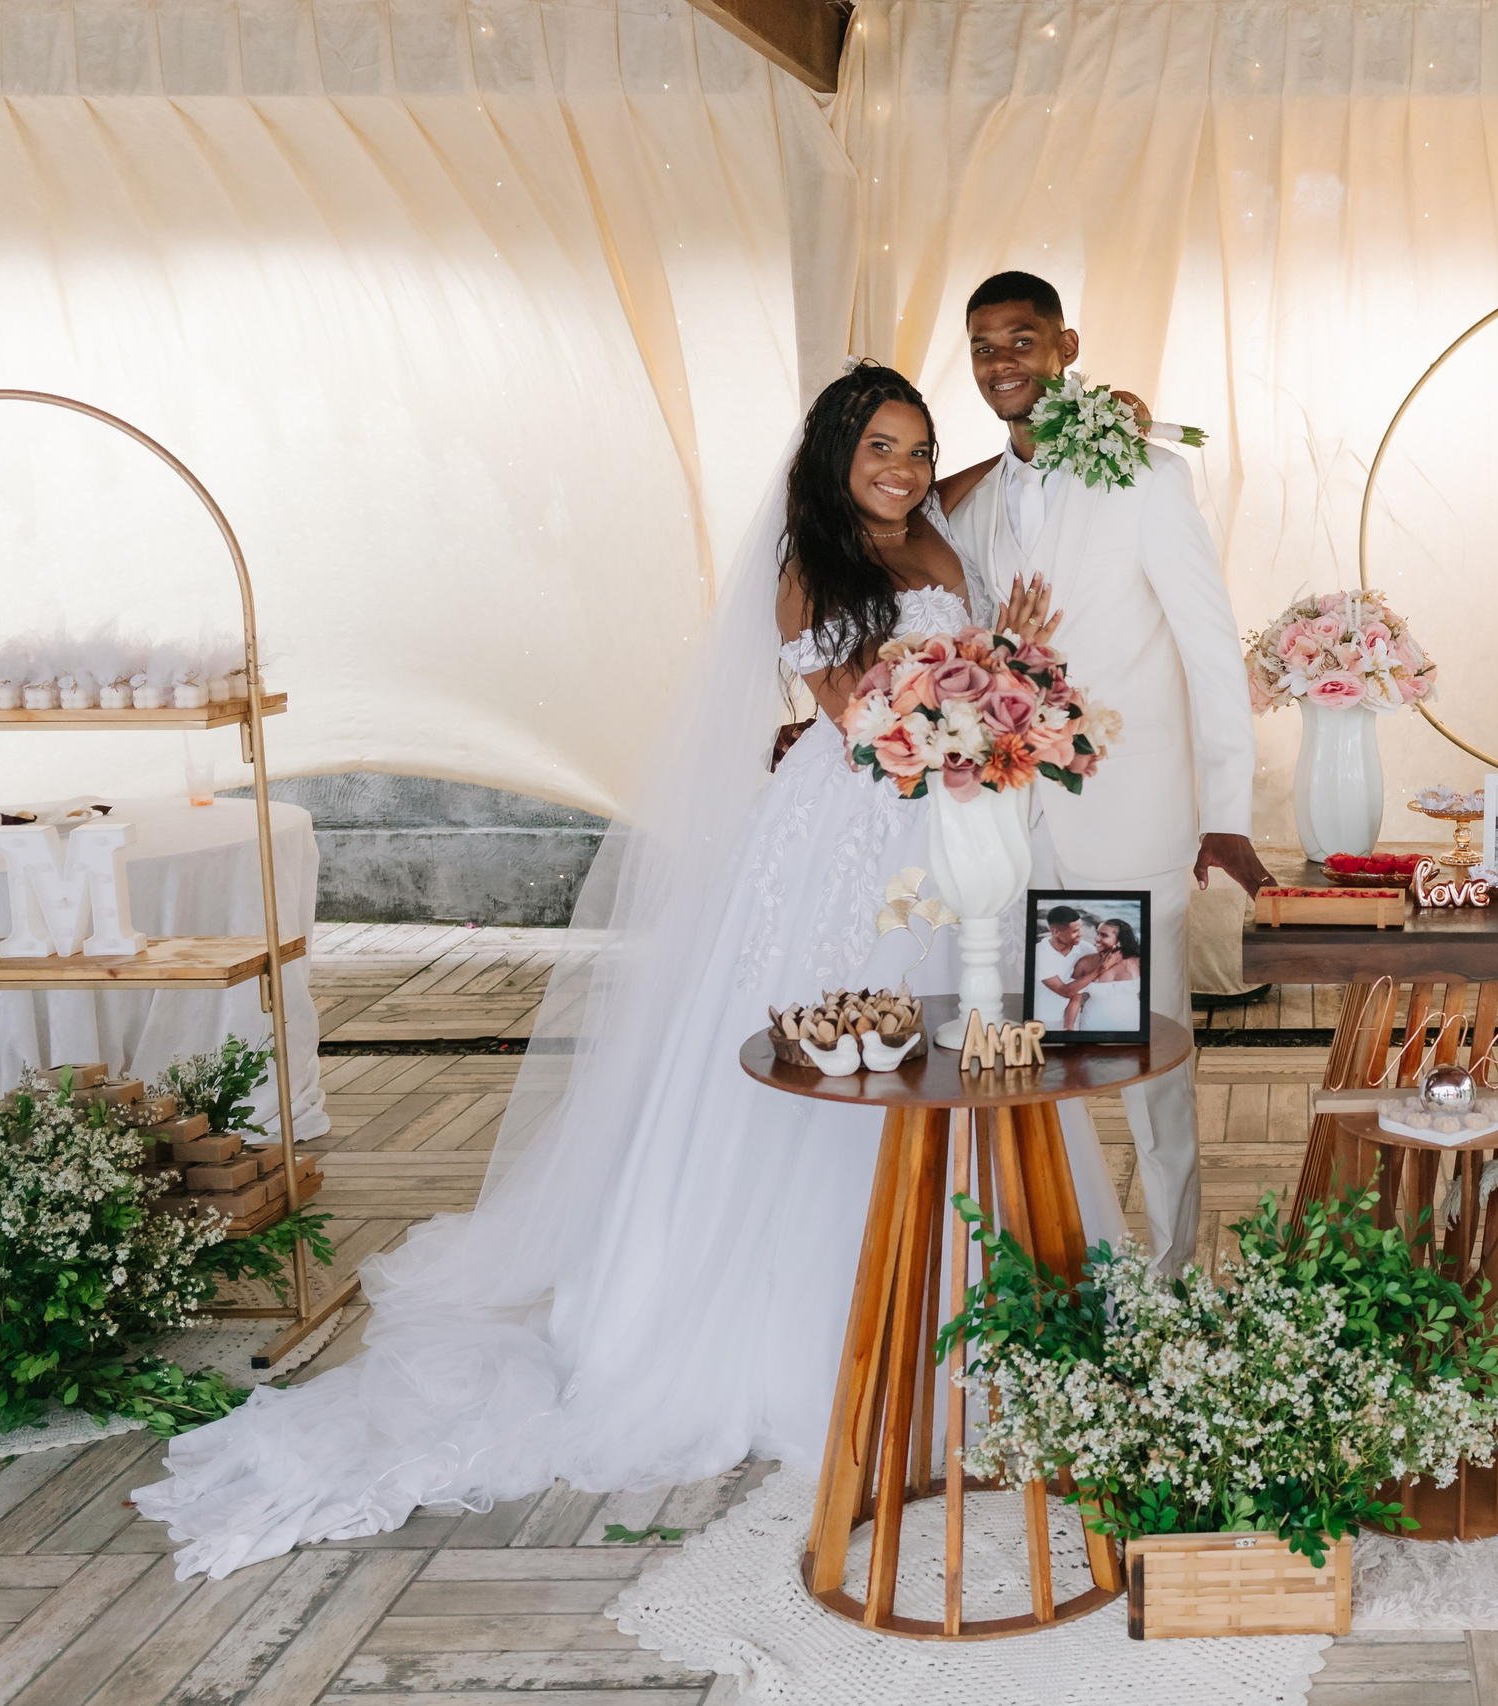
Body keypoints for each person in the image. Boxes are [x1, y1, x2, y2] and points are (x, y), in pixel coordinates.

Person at [132, 364, 1125, 1581]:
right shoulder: (810, 566)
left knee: (966, 1052)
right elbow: (850, 711)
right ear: (833, 451)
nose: (904, 469)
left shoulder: (936, 541)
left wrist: (1008, 650)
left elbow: (962, 615)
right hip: (845, 832)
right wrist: (957, 695)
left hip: (949, 821)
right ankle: (820, 1334)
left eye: (919, 449)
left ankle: (974, 1311)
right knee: (841, 1064)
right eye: (881, 445)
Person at [940, 270, 1262, 1277]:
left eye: (1023, 340)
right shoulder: (973, 502)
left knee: (1148, 1068)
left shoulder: (1147, 475)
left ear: (1066, 346)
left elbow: (1213, 654)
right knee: (1017, 1058)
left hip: (1128, 823)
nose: (1003, 362)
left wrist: (1228, 813)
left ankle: (1166, 1272)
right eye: (985, 345)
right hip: (1009, 829)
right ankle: (1043, 1261)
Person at [1058, 916, 1144, 1031]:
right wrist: (1068, 1029)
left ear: (1119, 940)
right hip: (1092, 1024)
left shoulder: (1137, 961)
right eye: (1097, 933)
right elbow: (1074, 1000)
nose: (1096, 938)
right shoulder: (1085, 963)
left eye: (1104, 935)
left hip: (1132, 1025)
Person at [1034, 905, 1094, 1026]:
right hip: (1042, 1021)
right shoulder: (1040, 952)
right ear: (1056, 932)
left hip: (1074, 1020)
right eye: (1075, 931)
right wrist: (1099, 970)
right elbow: (1064, 991)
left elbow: (1078, 993)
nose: (1080, 934)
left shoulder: (1086, 949)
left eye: (1080, 928)